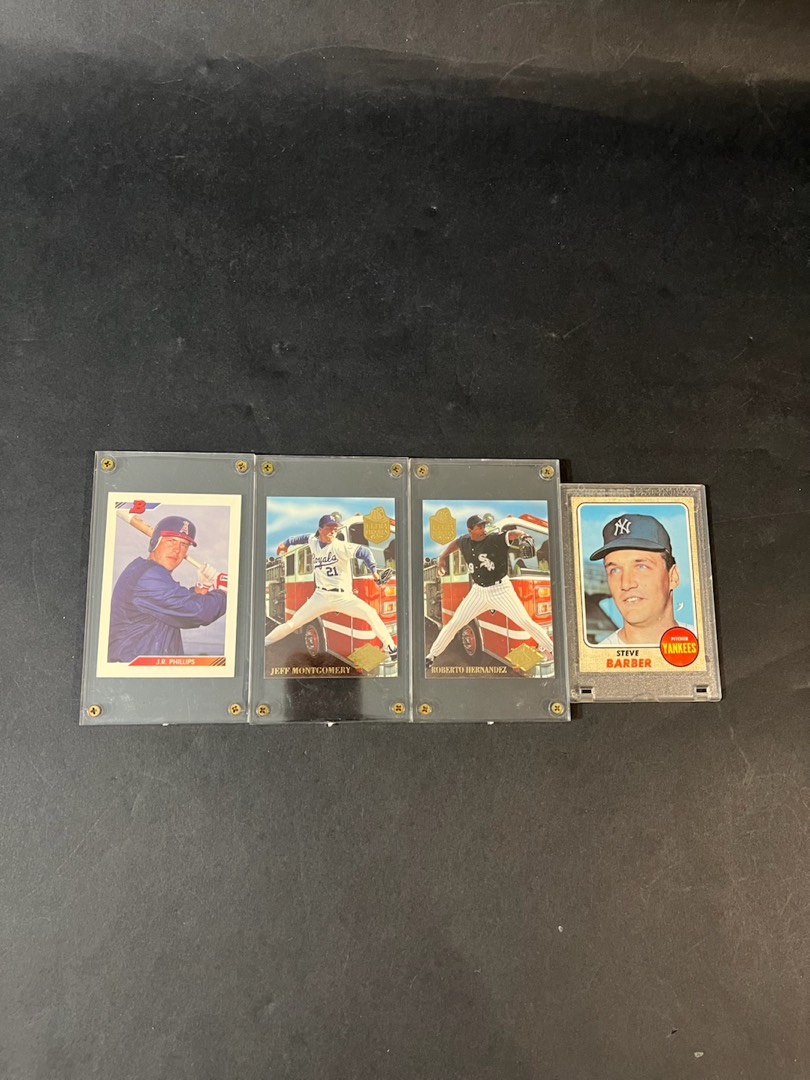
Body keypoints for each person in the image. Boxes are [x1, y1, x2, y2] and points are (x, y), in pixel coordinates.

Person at [426, 515, 553, 669]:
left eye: (484, 526)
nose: (483, 529)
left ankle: (553, 649)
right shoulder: (464, 541)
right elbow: (455, 543)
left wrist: (524, 535)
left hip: (501, 590)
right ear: (470, 530)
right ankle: (431, 656)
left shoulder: (494, 539)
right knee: (455, 623)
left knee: (525, 622)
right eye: (479, 527)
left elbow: (511, 534)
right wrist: (442, 557)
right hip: (478, 591)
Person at [264, 514, 397, 660]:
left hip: (343, 597)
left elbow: (364, 552)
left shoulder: (340, 546)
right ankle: (264, 642)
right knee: (292, 624)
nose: (333, 531)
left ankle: (390, 647)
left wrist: (374, 572)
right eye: (329, 528)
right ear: (320, 529)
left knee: (370, 613)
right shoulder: (313, 541)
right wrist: (285, 543)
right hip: (320, 596)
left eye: (335, 528)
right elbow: (299, 539)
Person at [108, 515, 227, 662]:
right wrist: (224, 593)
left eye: (184, 545)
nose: (177, 550)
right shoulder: (148, 575)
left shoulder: (148, 573)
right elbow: (197, 611)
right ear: (155, 542)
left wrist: (202, 587)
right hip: (132, 669)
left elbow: (178, 606)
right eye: (171, 541)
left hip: (149, 667)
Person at [589, 513, 684, 646]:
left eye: (641, 567)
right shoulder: (594, 656)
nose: (626, 584)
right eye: (614, 570)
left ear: (673, 577)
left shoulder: (704, 643)